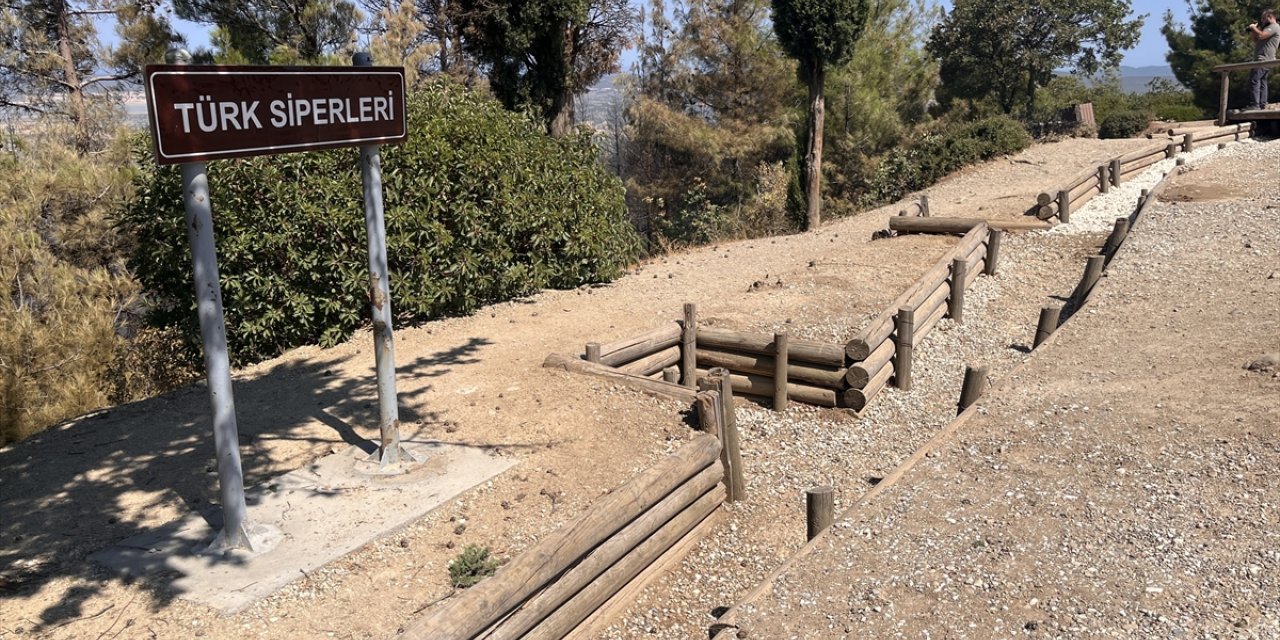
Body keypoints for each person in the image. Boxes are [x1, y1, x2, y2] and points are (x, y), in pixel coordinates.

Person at [1246, 9, 1280, 110]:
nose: (1262, 20)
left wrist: (1253, 27)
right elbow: (1255, 39)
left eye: (1263, 18)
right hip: (1264, 59)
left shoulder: (1274, 26)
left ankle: (1255, 105)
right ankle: (1262, 104)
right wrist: (1253, 30)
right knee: (1262, 81)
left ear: (1270, 17)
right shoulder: (1268, 28)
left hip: (1263, 59)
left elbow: (1261, 35)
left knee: (1254, 80)